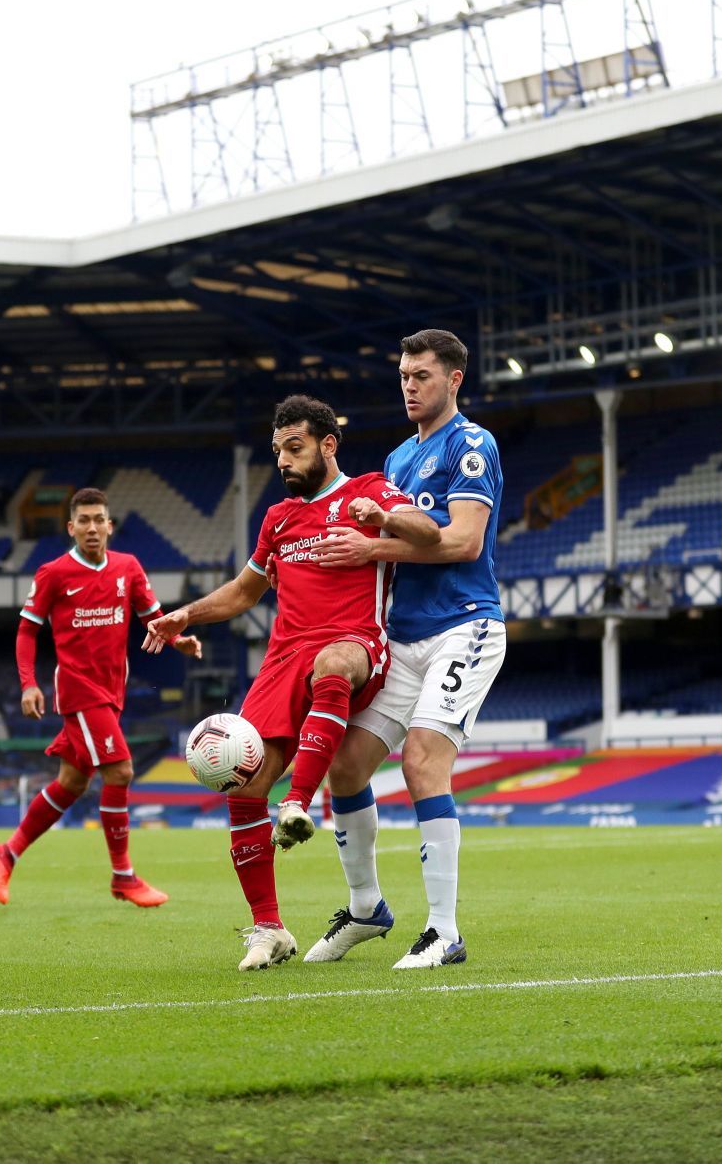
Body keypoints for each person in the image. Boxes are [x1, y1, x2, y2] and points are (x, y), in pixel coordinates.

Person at [144, 395, 436, 969]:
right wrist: (185, 615)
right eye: (277, 450)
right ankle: (269, 929)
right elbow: (244, 592)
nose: (283, 460)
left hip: (355, 640)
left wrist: (381, 523)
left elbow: (427, 530)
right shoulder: (278, 519)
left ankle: (299, 802)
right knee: (243, 783)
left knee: (332, 666)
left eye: (294, 447)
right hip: (282, 658)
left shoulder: (370, 490)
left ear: (328, 445)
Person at [310, 329, 507, 970]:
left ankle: (445, 930)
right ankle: (367, 909)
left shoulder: (472, 445)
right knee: (345, 766)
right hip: (404, 635)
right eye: (403, 376)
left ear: (453, 380)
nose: (409, 386)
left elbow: (463, 543)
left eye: (421, 375)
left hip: (464, 625)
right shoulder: (394, 461)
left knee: (423, 762)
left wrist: (371, 545)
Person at [0, 487, 201, 908]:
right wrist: (29, 682)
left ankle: (5, 853)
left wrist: (178, 641)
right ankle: (123, 877)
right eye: (83, 520)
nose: (92, 527)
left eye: (99, 519)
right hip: (80, 691)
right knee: (120, 772)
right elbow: (27, 630)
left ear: (110, 525)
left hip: (112, 692)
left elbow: (152, 619)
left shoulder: (128, 567)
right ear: (71, 527)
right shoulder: (54, 573)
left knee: (72, 782)